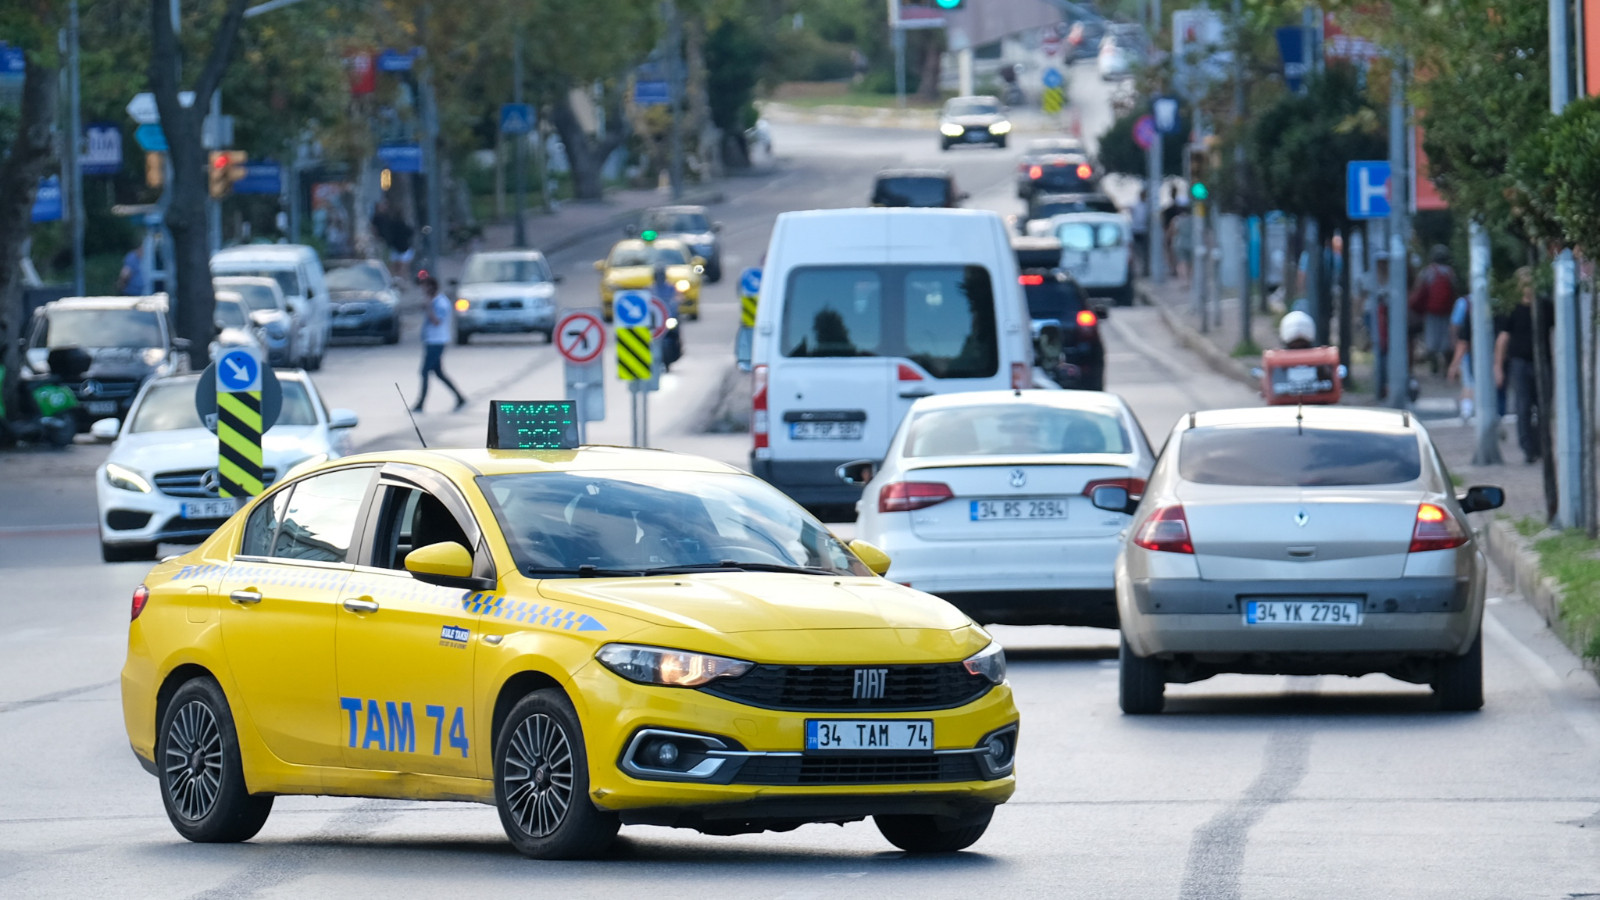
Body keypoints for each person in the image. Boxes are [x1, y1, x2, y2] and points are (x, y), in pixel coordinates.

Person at [1495, 267, 1550, 464]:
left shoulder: (1545, 307)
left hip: (1543, 362)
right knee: (1523, 406)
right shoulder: (1512, 308)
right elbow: (1503, 338)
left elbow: (1553, 334)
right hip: (1519, 362)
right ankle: (1528, 447)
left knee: (1543, 407)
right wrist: (1498, 367)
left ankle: (1542, 445)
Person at [414, 274, 466, 413]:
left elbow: (437, 321)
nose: (423, 290)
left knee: (425, 372)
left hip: (437, 341)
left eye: (425, 287)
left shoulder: (441, 303)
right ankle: (460, 397)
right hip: (431, 340)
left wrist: (428, 307)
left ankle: (421, 403)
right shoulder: (434, 301)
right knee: (439, 373)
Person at [1409, 244, 1460, 375]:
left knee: (1431, 339)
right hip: (1447, 311)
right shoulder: (1450, 272)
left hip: (1430, 311)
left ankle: (1434, 365)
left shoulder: (1427, 271)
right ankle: (1446, 366)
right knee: (1446, 339)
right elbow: (1455, 291)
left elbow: (1419, 289)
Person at [372, 200, 415, 279]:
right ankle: (399, 278)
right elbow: (411, 233)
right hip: (398, 248)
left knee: (396, 266)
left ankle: (396, 278)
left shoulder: (390, 222)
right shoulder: (401, 224)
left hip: (394, 247)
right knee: (400, 266)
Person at [1129, 188, 1150, 276]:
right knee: (1136, 252)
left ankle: (1145, 270)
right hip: (1136, 231)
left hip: (1144, 231)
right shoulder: (1135, 205)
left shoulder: (1149, 205)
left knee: (1145, 253)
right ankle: (1138, 270)